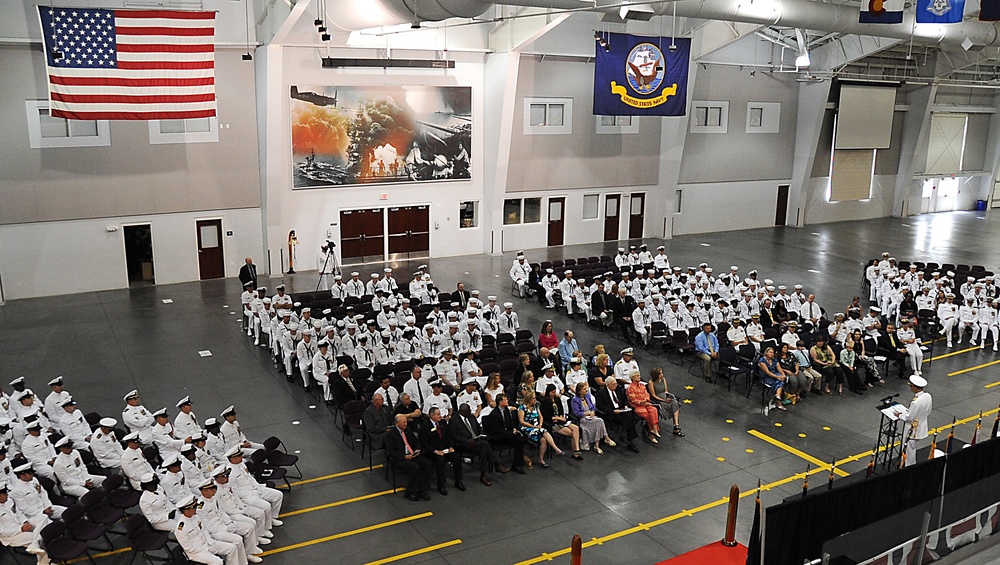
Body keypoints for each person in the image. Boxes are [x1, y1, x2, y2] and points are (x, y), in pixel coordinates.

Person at [451, 404, 502, 486]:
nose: (470, 411)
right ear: (463, 411)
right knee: (485, 444)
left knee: (484, 449)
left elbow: (479, 428)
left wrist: (481, 435)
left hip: (477, 441)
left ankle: (483, 475)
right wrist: (467, 440)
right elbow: (454, 436)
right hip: (464, 444)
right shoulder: (454, 420)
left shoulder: (471, 417)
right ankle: (496, 464)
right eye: (469, 410)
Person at [0, 482, 51, 565]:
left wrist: (25, 522)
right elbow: (3, 532)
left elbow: (19, 514)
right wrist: (21, 529)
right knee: (42, 539)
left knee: (43, 517)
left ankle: (35, 545)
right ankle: (43, 562)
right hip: (12, 536)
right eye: (4, 494)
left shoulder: (9, 501)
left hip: (22, 525)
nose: (7, 495)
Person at [418, 408, 463, 495]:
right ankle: (441, 484)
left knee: (456, 456)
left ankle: (458, 480)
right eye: (438, 414)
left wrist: (451, 447)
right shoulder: (425, 427)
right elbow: (424, 443)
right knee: (440, 460)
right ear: (432, 415)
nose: (440, 416)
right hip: (433, 452)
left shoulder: (443, 423)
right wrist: (435, 451)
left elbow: (449, 436)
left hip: (445, 449)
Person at [516, 390, 564, 468]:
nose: (535, 400)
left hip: (537, 427)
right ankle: (556, 448)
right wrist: (533, 427)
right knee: (544, 430)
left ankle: (541, 459)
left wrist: (540, 424)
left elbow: (541, 416)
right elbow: (521, 421)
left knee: (543, 440)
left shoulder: (536, 405)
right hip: (526, 428)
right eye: (533, 398)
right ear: (529, 399)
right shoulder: (522, 407)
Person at [483, 394, 527, 474]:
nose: (507, 401)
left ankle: (517, 465)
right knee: (518, 439)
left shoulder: (506, 410)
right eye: (505, 400)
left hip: (506, 434)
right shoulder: (494, 414)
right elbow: (496, 430)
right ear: (500, 402)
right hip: (497, 436)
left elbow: (510, 422)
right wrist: (510, 433)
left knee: (519, 440)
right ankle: (518, 464)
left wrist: (513, 429)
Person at [595, 378, 640, 453]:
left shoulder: (618, 390)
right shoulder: (601, 393)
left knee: (629, 415)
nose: (616, 385)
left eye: (616, 384)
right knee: (629, 420)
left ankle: (626, 436)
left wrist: (625, 405)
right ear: (608, 385)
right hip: (611, 413)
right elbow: (600, 406)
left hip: (621, 409)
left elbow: (625, 400)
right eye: (613, 384)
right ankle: (629, 439)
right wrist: (613, 411)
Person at [895, 375, 932, 467]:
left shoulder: (915, 402)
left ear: (915, 387)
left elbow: (909, 418)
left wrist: (900, 415)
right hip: (922, 426)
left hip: (912, 430)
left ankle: (908, 466)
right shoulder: (927, 396)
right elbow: (928, 411)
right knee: (912, 448)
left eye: (911, 386)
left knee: (909, 450)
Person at [539, 385, 582, 459]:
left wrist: (561, 417)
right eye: (552, 392)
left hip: (560, 420)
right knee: (572, 434)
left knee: (576, 428)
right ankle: (575, 453)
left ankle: (576, 450)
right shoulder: (545, 402)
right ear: (548, 392)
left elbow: (561, 410)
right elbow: (546, 416)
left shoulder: (557, 399)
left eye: (555, 392)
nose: (554, 393)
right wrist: (556, 418)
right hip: (553, 423)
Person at [570, 383, 613, 454]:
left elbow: (593, 407)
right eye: (584, 389)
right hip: (582, 418)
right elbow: (576, 413)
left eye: (586, 388)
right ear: (579, 391)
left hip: (591, 417)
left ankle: (597, 445)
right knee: (600, 421)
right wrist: (585, 413)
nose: (586, 390)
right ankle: (605, 438)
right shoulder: (575, 400)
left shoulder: (587, 396)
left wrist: (593, 412)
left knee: (599, 422)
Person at [625, 370, 660, 444]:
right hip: (638, 406)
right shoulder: (630, 388)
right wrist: (641, 402)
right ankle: (652, 432)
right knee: (648, 415)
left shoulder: (642, 386)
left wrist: (646, 400)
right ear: (633, 378)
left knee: (653, 410)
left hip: (645, 403)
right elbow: (633, 399)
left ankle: (653, 430)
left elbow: (647, 394)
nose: (639, 377)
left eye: (639, 375)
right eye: (637, 376)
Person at [646, 368, 683, 436]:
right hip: (658, 399)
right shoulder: (651, 383)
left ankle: (676, 426)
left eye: (662, 373)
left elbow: (666, 391)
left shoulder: (663, 380)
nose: (662, 375)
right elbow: (653, 395)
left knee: (675, 403)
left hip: (665, 397)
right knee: (668, 404)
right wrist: (663, 400)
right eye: (660, 374)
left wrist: (668, 397)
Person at [757, 347, 787, 411]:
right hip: (766, 377)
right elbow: (767, 372)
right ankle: (779, 402)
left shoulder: (774, 360)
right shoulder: (762, 361)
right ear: (766, 353)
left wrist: (783, 375)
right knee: (780, 381)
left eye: (773, 352)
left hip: (775, 374)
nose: (772, 354)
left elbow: (779, 369)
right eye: (770, 352)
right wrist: (777, 377)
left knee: (782, 380)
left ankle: (777, 395)